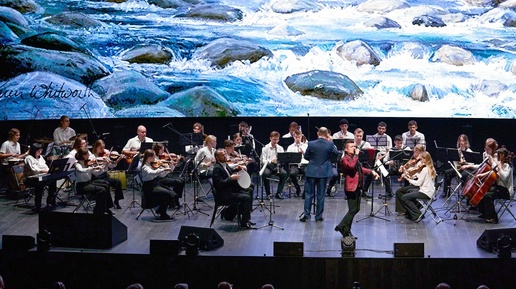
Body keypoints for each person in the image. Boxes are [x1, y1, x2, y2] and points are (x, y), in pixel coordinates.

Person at [335, 140, 379, 238]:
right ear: (346, 149)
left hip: (358, 186)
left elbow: (360, 169)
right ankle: (343, 228)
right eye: (351, 147)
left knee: (356, 209)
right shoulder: (344, 159)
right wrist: (356, 155)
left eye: (354, 146)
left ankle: (344, 228)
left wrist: (371, 172)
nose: (354, 148)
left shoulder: (353, 158)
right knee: (352, 209)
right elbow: (351, 166)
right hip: (351, 187)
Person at [300, 127, 339, 222]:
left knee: (309, 194)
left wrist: (313, 160)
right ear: (327, 135)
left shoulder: (311, 143)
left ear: (318, 133)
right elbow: (336, 154)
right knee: (321, 195)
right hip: (323, 172)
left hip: (312, 171)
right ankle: (318, 216)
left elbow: (306, 156)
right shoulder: (330, 144)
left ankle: (307, 215)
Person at [212, 148, 255, 229]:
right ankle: (244, 222)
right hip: (224, 194)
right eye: (222, 155)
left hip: (229, 190)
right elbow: (219, 184)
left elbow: (229, 172)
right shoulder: (217, 168)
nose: (225, 156)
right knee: (246, 197)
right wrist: (231, 178)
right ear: (217, 158)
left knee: (249, 189)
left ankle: (245, 214)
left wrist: (237, 169)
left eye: (225, 154)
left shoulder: (224, 164)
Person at [477, 147, 513, 224]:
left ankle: (493, 218)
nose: (497, 157)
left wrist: (499, 167)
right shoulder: (500, 164)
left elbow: (504, 179)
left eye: (498, 155)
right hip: (499, 188)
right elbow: (492, 171)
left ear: (503, 155)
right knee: (482, 190)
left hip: (506, 191)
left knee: (487, 196)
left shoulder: (507, 166)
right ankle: (485, 213)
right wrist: (482, 175)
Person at [397, 151, 436, 221]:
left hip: (425, 193)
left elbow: (418, 183)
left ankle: (417, 214)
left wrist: (408, 179)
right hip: (430, 192)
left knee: (404, 197)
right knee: (410, 192)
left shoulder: (425, 169)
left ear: (425, 159)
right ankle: (411, 214)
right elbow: (421, 177)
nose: (420, 161)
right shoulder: (431, 168)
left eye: (421, 159)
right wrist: (412, 175)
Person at [74, 148, 114, 215]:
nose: (89, 156)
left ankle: (106, 207)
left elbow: (96, 173)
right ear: (83, 156)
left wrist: (105, 166)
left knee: (106, 184)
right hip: (81, 186)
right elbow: (81, 170)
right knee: (101, 190)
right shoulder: (77, 164)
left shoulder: (88, 163)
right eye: (87, 154)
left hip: (89, 183)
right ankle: (97, 211)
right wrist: (92, 168)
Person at [141, 149, 177, 220]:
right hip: (149, 188)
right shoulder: (145, 167)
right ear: (149, 158)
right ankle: (162, 212)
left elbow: (161, 175)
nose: (156, 159)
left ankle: (161, 210)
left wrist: (169, 168)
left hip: (155, 184)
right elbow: (152, 173)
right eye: (154, 157)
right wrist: (163, 169)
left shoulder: (152, 165)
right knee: (166, 194)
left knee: (171, 193)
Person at [23, 143, 58, 211]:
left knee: (53, 180)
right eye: (39, 151)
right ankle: (37, 205)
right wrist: (46, 171)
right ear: (34, 150)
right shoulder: (29, 158)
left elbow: (45, 166)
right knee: (39, 184)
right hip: (31, 178)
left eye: (41, 150)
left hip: (42, 176)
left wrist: (49, 171)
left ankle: (51, 200)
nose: (40, 152)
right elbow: (35, 170)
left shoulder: (40, 157)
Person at [91, 140, 125, 209]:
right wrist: (105, 164)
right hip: (97, 178)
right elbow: (96, 172)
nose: (103, 150)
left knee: (117, 182)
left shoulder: (105, 154)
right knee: (106, 185)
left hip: (105, 176)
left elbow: (111, 166)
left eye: (103, 148)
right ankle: (108, 206)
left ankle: (116, 200)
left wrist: (118, 160)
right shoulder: (93, 157)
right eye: (101, 148)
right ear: (96, 148)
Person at [394, 144, 425, 214]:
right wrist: (404, 168)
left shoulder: (421, 162)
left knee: (400, 191)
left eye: (416, 152)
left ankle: (406, 210)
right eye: (414, 151)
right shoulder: (416, 161)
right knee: (401, 190)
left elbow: (416, 174)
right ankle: (405, 209)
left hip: (419, 184)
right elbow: (412, 170)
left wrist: (407, 174)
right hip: (416, 182)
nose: (414, 154)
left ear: (421, 152)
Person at [152, 143, 185, 209]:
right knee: (179, 182)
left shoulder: (160, 158)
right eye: (162, 150)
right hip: (159, 179)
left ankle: (175, 199)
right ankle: (174, 200)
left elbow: (170, 171)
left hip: (164, 177)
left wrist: (173, 165)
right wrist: (168, 168)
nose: (164, 152)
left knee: (182, 180)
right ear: (158, 150)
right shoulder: (155, 160)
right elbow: (161, 174)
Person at [441, 134, 473, 198]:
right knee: (447, 173)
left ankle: (464, 193)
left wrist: (464, 162)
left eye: (462, 141)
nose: (461, 142)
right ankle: (446, 192)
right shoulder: (458, 150)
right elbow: (455, 161)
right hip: (459, 168)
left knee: (463, 176)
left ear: (466, 142)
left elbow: (472, 164)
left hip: (467, 169)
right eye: (460, 141)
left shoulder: (469, 151)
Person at [261, 131, 288, 199]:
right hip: (268, 166)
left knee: (284, 173)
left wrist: (279, 160)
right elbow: (263, 160)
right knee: (266, 174)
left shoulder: (280, 148)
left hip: (276, 166)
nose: (276, 141)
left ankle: (279, 192)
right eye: (274, 139)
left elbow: (283, 160)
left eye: (277, 139)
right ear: (270, 138)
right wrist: (271, 161)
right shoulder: (265, 148)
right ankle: (268, 194)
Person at [286, 130, 308, 197]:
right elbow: (288, 159)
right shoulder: (290, 147)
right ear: (293, 137)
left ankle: (305, 191)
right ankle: (297, 188)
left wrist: (304, 153)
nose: (297, 138)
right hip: (294, 165)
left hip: (304, 165)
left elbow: (309, 157)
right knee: (292, 173)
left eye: (299, 137)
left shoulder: (306, 146)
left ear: (301, 137)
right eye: (296, 137)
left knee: (308, 173)